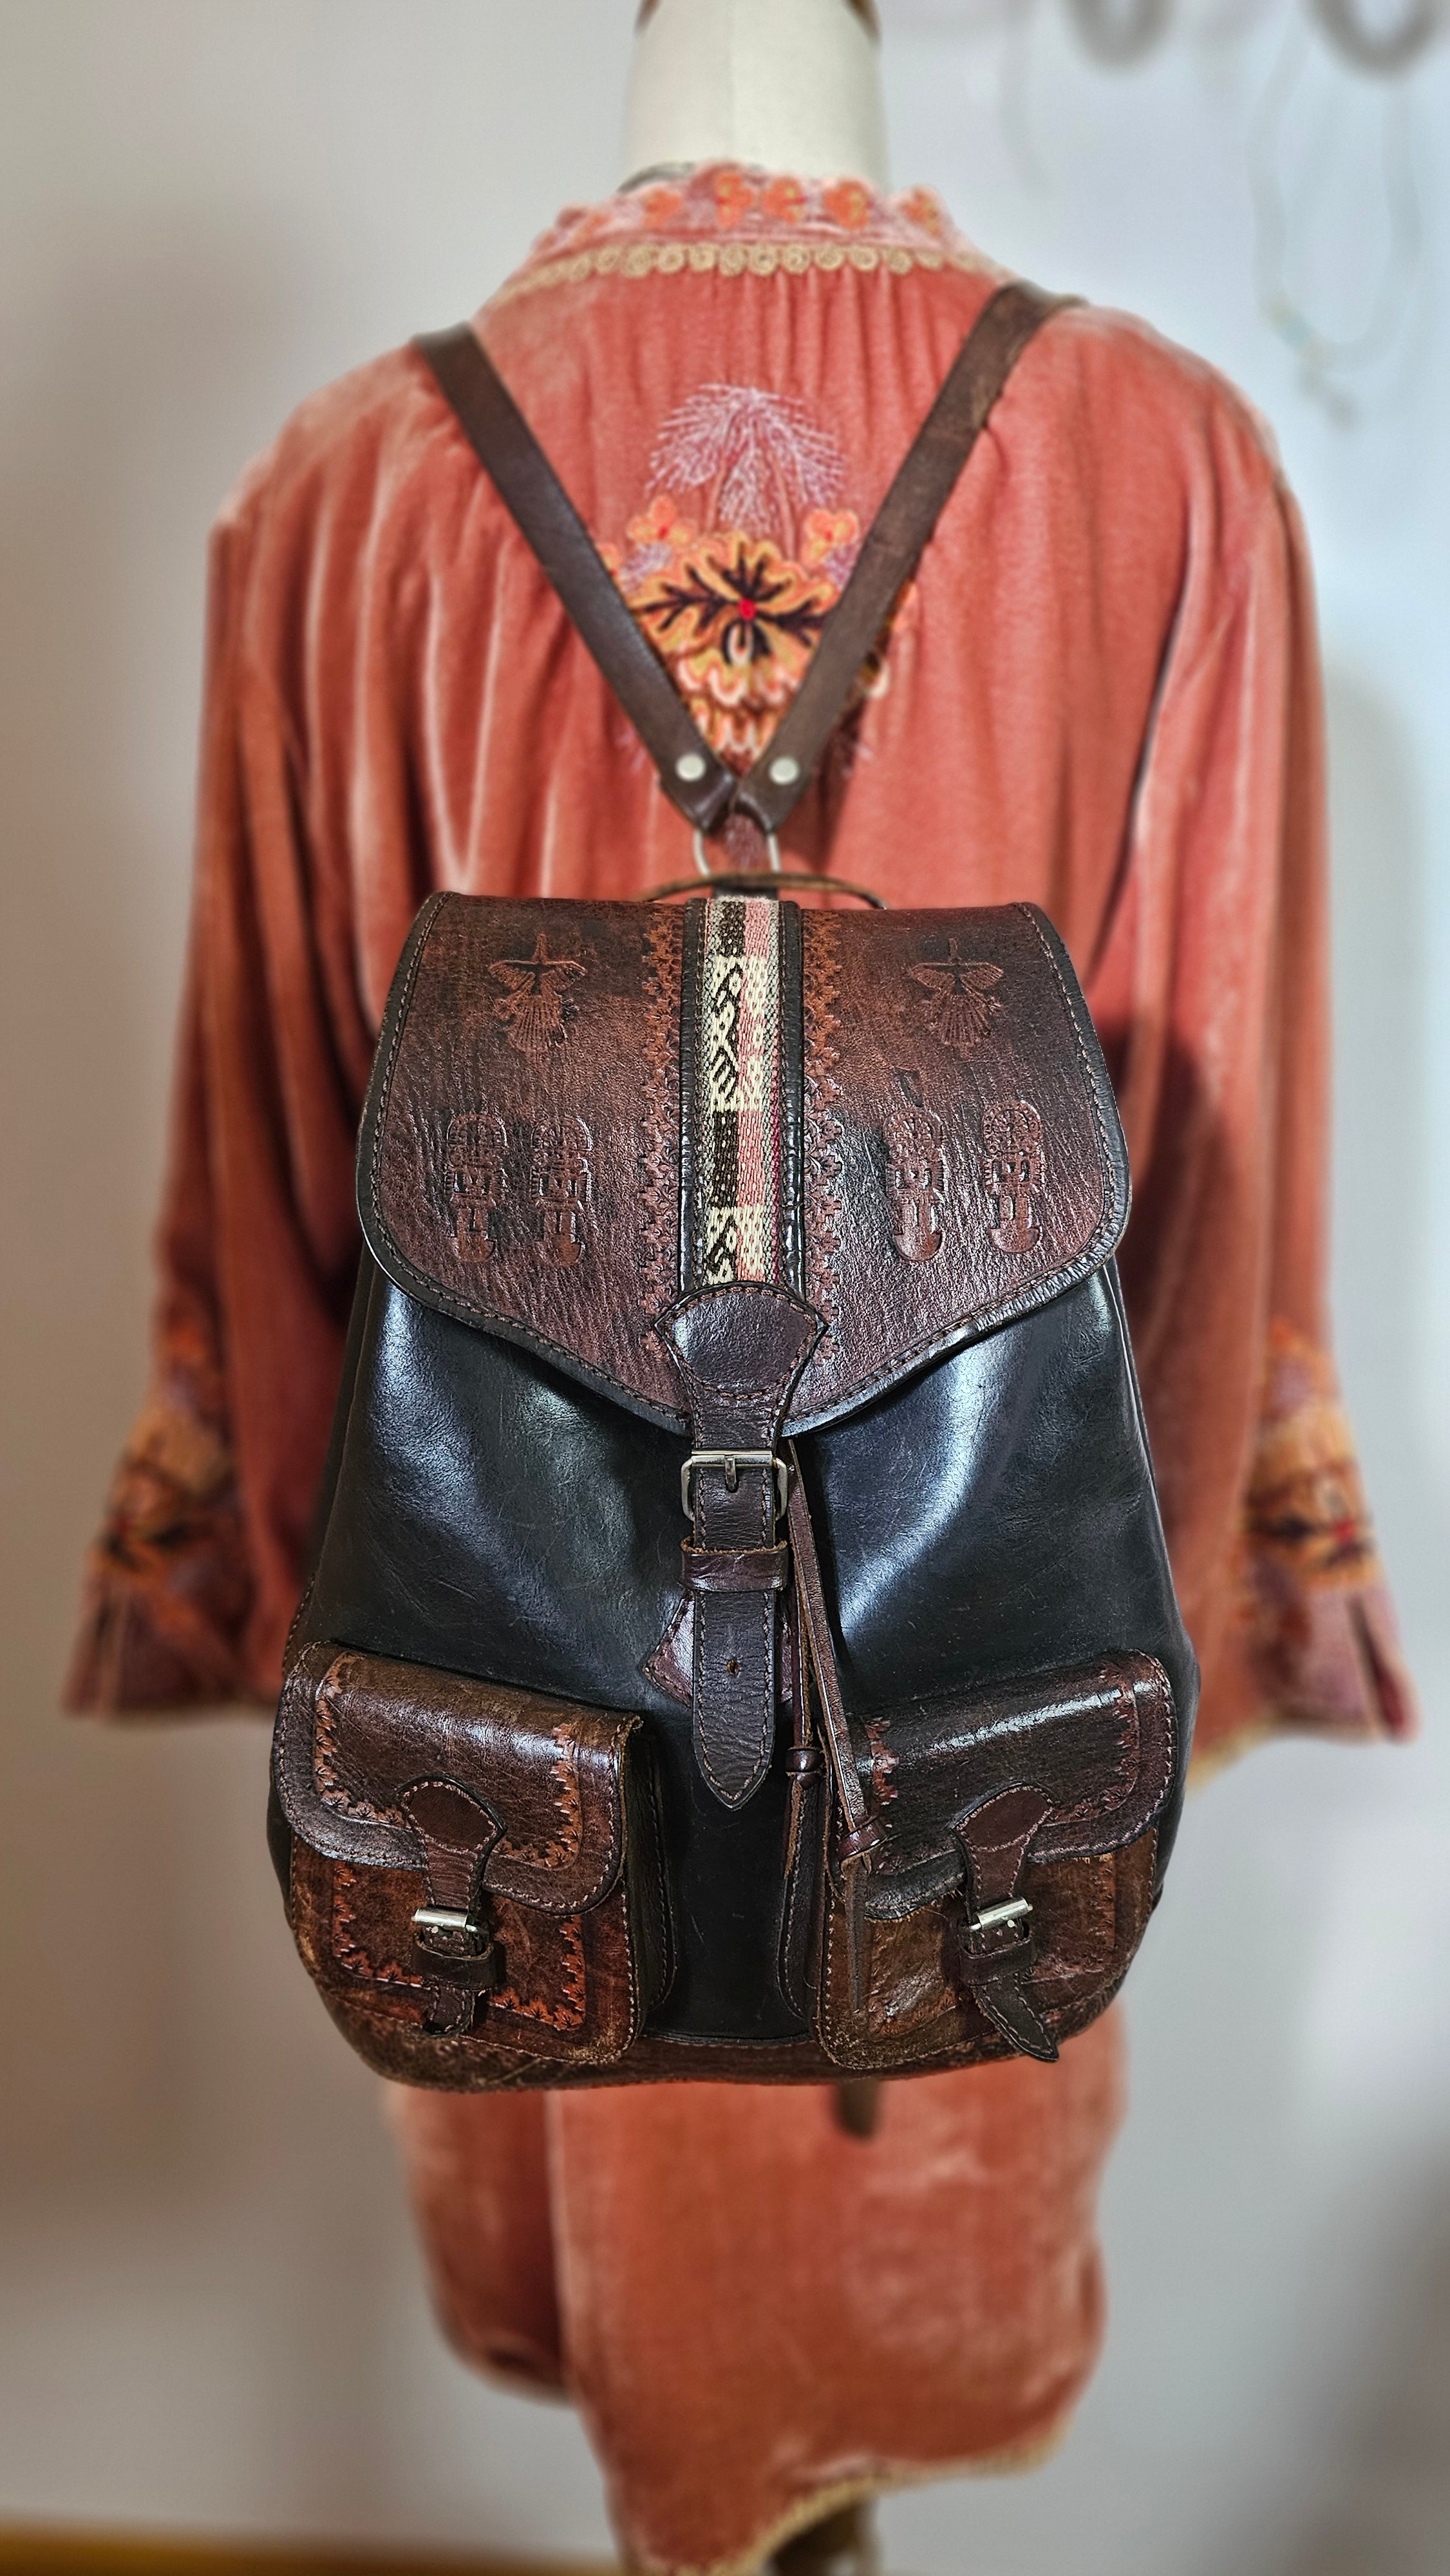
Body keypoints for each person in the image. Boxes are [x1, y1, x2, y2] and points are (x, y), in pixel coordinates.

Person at [70, 3, 1413, 2568]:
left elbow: (263, 1192)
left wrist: (255, 1579)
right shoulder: (1172, 468)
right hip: (978, 1747)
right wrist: (1211, 1624)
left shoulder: (340, 490)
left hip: (497, 1763)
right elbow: (1215, 1170)